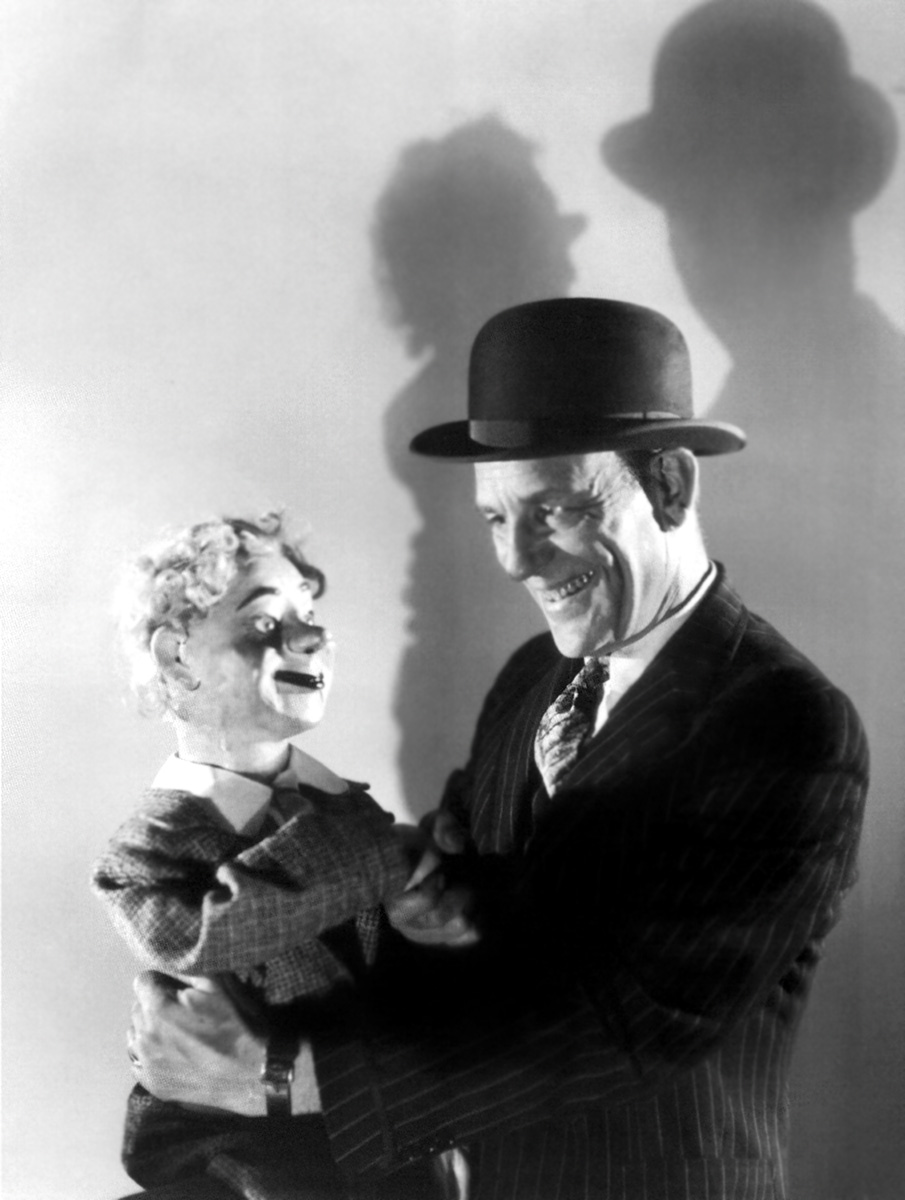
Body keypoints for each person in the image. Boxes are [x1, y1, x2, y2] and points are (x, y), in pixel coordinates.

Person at [127, 301, 868, 1200]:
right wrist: (429, 904)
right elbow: (503, 905)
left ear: (670, 485)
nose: (517, 559)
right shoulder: (533, 677)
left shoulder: (786, 723)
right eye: (494, 519)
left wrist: (274, 1077)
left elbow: (634, 1023)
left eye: (554, 509)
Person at [93, 512, 456, 1199]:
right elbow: (204, 934)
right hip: (236, 1159)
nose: (312, 638)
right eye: (264, 622)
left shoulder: (348, 811)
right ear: (176, 657)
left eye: (309, 615)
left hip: (377, 1140)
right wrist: (379, 860)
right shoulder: (144, 855)